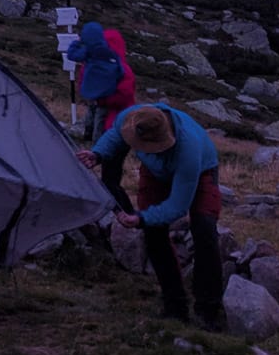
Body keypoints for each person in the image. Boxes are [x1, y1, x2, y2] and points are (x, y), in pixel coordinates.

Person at [78, 103, 226, 332]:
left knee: (204, 230)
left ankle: (208, 310)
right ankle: (174, 306)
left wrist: (142, 218)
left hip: (201, 171)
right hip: (155, 171)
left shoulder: (189, 149)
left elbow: (177, 205)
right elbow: (115, 136)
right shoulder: (132, 118)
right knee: (154, 233)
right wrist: (97, 154)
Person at [66, 21, 137, 212]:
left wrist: (101, 97)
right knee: (109, 177)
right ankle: (120, 213)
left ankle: (125, 214)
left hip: (118, 129)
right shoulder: (97, 66)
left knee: (110, 178)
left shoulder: (120, 70)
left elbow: (123, 97)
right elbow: (86, 89)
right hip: (107, 127)